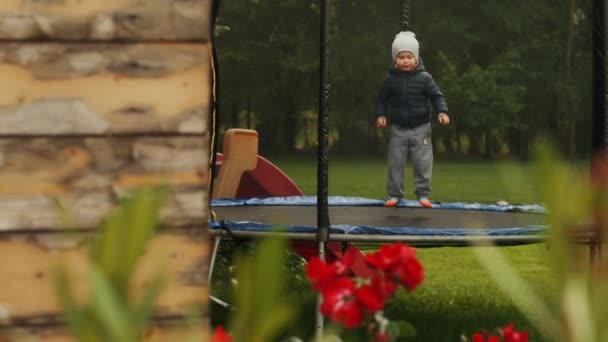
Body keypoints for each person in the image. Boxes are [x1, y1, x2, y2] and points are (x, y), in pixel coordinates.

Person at [375, 31, 450, 208]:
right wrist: (380, 115)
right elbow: (381, 99)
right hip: (398, 129)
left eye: (409, 56)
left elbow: (437, 96)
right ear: (395, 59)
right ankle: (395, 194)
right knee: (395, 162)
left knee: (422, 162)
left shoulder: (425, 78)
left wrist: (442, 112)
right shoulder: (390, 80)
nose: (406, 61)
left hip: (421, 128)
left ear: (416, 58)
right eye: (401, 57)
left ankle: (423, 195)